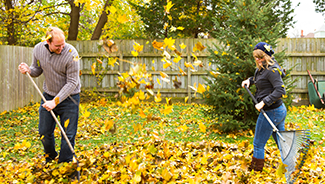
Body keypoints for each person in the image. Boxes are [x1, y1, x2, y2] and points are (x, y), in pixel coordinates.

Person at [18, 27, 81, 164]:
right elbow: (37, 69)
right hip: (48, 95)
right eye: (57, 46)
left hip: (70, 98)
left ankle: (64, 163)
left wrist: (55, 101)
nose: (61, 48)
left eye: (63, 44)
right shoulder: (38, 49)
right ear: (48, 42)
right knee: (44, 132)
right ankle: (50, 157)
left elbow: (72, 82)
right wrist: (28, 70)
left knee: (68, 134)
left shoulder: (72, 54)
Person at [241, 42, 286, 172]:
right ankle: (290, 164)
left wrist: (263, 102)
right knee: (281, 141)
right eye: (256, 57)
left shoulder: (272, 71)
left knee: (258, 144)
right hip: (278, 110)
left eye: (260, 57)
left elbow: (280, 90)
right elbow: (260, 79)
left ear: (267, 56)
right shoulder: (262, 68)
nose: (257, 60)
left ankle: (256, 171)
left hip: (271, 111)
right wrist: (250, 80)